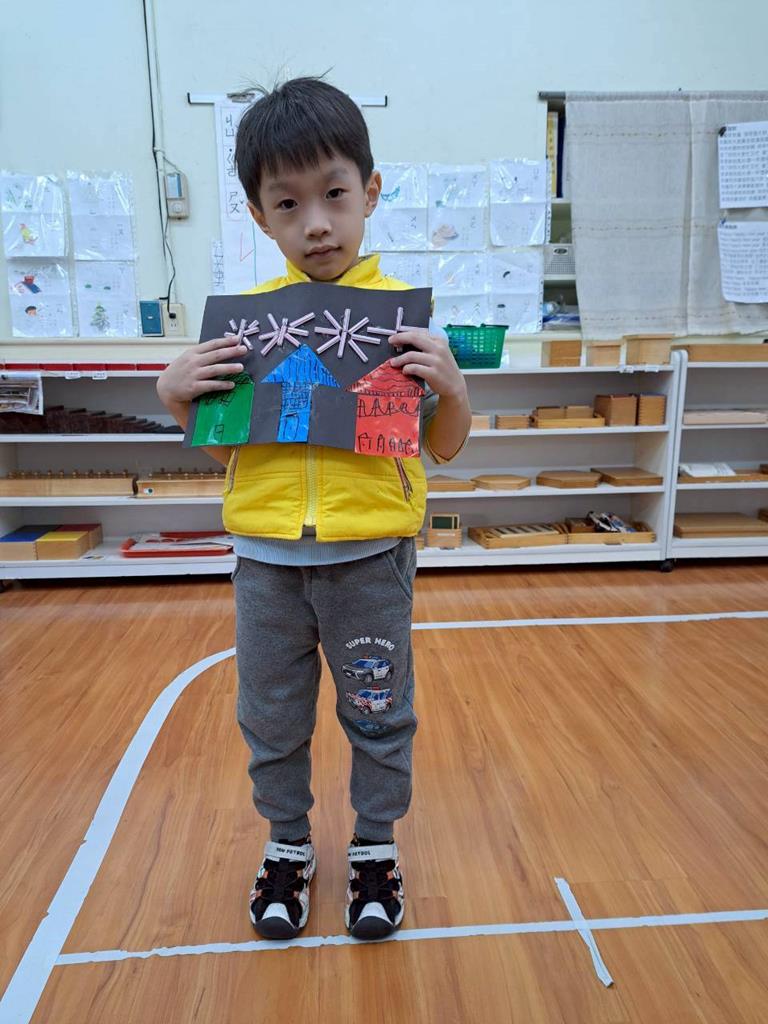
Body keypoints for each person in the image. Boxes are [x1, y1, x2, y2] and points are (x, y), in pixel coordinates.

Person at [157, 77, 471, 941]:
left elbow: (444, 446)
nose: (317, 224)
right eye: (288, 204)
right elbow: (233, 450)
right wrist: (179, 398)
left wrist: (451, 388)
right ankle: (287, 845)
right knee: (271, 714)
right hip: (266, 562)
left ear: (370, 191)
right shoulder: (248, 329)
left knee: (379, 710)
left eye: (334, 194)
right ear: (260, 217)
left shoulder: (401, 324)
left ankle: (376, 848)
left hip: (369, 559)